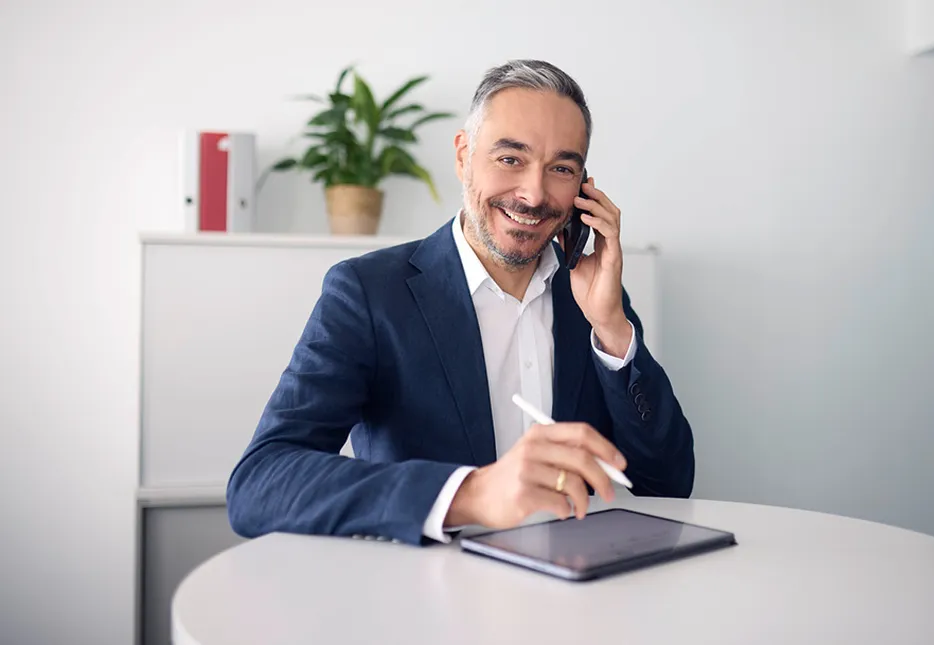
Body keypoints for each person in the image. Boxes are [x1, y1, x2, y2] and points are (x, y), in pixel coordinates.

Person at [225, 59, 694, 546]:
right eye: (510, 159)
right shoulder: (368, 293)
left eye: (561, 168)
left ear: (584, 189)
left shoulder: (594, 298)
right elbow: (260, 484)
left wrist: (612, 330)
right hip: (429, 604)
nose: (534, 194)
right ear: (463, 156)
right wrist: (470, 493)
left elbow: (669, 485)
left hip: (575, 599)